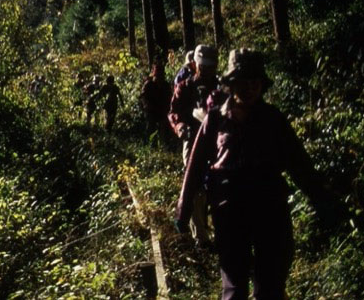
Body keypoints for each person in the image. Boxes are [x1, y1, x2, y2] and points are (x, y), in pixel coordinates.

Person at [175, 49, 342, 300]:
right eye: (243, 82)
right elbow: (196, 165)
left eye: (255, 82)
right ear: (231, 84)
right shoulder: (215, 120)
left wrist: (325, 203)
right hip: (229, 210)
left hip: (270, 208)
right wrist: (183, 209)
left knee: (271, 284)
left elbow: (300, 165)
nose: (250, 88)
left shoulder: (273, 120)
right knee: (234, 286)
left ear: (262, 85)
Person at [168, 44, 222, 243]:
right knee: (195, 185)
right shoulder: (185, 86)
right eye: (204, 66)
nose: (207, 70)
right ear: (195, 65)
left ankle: (221, 229)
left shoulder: (221, 86)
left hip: (218, 142)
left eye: (211, 66)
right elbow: (174, 112)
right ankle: (201, 234)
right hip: (193, 139)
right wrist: (180, 126)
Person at [139, 63, 173, 144]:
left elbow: (170, 98)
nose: (160, 77)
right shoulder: (148, 84)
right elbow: (143, 97)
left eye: (161, 74)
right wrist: (147, 107)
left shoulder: (166, 85)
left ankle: (164, 144)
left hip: (162, 110)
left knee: (164, 128)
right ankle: (151, 144)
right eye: (158, 74)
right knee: (151, 127)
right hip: (151, 110)